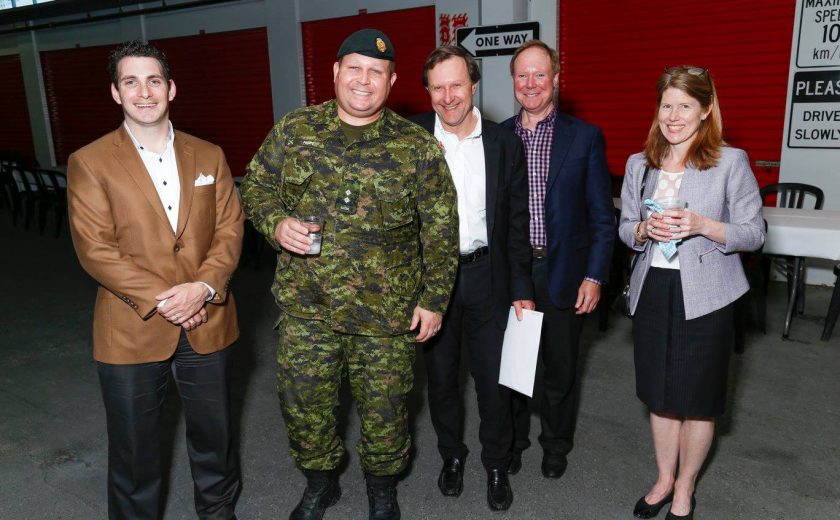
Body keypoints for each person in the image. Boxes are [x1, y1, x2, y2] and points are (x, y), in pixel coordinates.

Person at [240, 29, 458, 520]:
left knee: (387, 411)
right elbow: (256, 186)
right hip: (307, 307)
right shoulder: (296, 129)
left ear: (391, 81)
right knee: (304, 405)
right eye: (354, 68)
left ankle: (382, 489)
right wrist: (276, 223)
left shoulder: (416, 147)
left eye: (376, 71)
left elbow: (441, 230)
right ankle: (321, 483)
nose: (364, 80)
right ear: (336, 72)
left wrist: (434, 300)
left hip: (385, 314)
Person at [67, 40, 244, 520]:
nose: (144, 92)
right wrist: (168, 300)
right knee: (135, 454)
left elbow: (230, 229)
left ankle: (218, 513)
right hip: (131, 328)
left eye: (153, 80)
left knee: (216, 440)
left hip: (208, 319)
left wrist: (203, 287)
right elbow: (95, 248)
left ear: (171, 88)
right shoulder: (90, 161)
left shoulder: (209, 154)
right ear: (115, 92)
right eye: (131, 82)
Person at [618, 66, 764, 519]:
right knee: (660, 397)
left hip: (707, 295)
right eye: (667, 105)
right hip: (653, 290)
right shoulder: (639, 164)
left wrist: (702, 225)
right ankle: (664, 479)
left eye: (685, 106)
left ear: (706, 110)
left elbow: (754, 233)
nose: (674, 116)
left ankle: (685, 488)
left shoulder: (730, 162)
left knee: (698, 403)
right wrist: (642, 230)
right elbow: (625, 228)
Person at [410, 45, 534, 512]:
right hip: (432, 284)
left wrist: (522, 289)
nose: (447, 97)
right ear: (428, 91)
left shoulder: (504, 143)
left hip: (488, 277)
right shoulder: (413, 139)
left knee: (494, 382)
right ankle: (452, 455)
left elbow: (517, 224)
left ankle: (496, 464)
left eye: (456, 85)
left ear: (474, 85)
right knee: (441, 380)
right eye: (437, 87)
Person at [501, 40, 615, 479]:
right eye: (522, 75)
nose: (530, 84)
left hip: (563, 270)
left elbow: (602, 217)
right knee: (514, 367)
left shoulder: (584, 137)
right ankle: (513, 441)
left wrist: (594, 275)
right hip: (513, 271)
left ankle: (555, 444)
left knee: (561, 368)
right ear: (513, 81)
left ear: (555, 79)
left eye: (539, 74)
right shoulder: (497, 137)